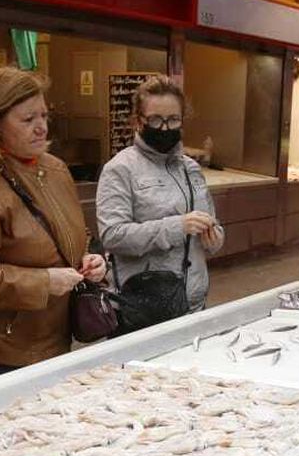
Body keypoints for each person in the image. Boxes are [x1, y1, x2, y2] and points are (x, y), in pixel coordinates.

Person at [0, 67, 106, 385]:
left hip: (51, 337)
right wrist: (43, 283)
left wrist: (90, 258)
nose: (41, 127)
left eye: (43, 116)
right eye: (28, 120)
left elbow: (72, 234)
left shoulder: (55, 169)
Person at [95, 75, 224, 318]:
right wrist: (177, 226)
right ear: (138, 121)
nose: (165, 128)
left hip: (194, 303)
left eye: (173, 119)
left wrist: (213, 238)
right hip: (144, 307)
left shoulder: (191, 169)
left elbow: (214, 226)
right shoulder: (120, 169)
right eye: (156, 119)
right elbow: (113, 235)